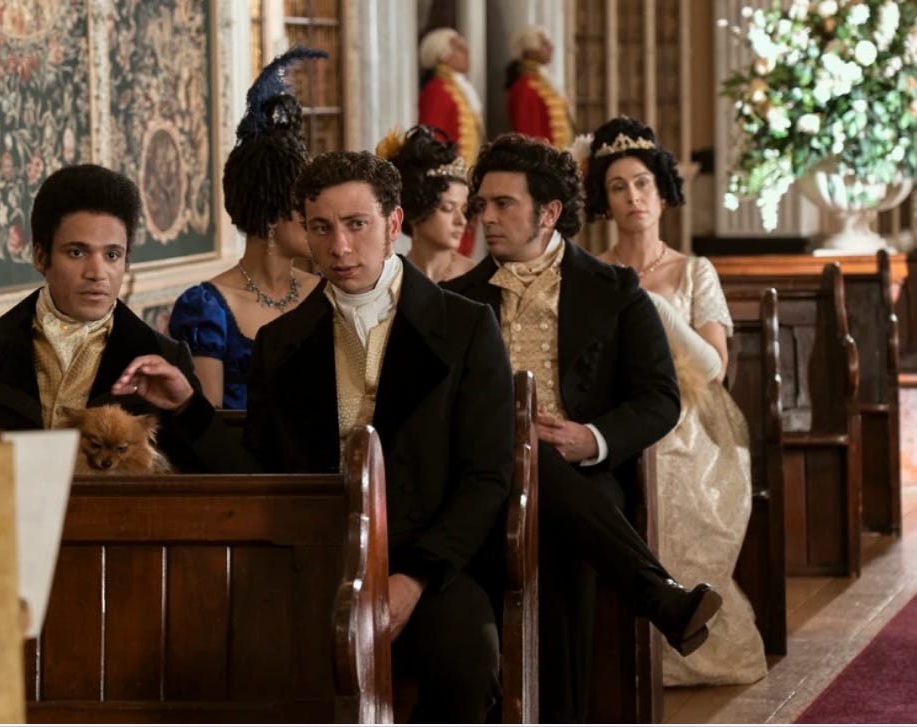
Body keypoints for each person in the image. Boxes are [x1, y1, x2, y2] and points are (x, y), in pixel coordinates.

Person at [443, 132, 722, 723]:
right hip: (478, 481)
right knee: (518, 449)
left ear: (548, 213)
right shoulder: (454, 300)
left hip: (581, 476)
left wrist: (589, 438)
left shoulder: (616, 291)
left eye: (502, 204)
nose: (485, 217)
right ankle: (659, 594)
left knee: (552, 502)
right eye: (481, 204)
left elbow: (658, 400)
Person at [242, 150, 514, 722]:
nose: (339, 247)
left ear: (393, 224)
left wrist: (413, 580)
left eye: (355, 224)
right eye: (321, 227)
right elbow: (258, 468)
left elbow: (487, 477)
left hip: (434, 566)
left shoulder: (466, 327)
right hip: (318, 563)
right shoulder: (278, 343)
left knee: (465, 656)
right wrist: (189, 409)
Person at [585, 115, 768, 686]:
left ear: (662, 191)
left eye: (642, 183)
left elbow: (713, 368)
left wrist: (657, 308)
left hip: (692, 419)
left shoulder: (694, 271)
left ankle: (687, 638)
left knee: (671, 464)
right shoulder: (591, 273)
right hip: (613, 414)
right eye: (618, 187)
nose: (632, 197)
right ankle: (616, 652)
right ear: (604, 201)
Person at [0, 164, 244, 473]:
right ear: (40, 256)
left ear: (126, 262)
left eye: (112, 255)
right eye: (77, 252)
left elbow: (228, 476)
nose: (97, 273)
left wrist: (186, 404)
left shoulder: (164, 357)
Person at [169, 47, 324, 410]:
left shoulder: (328, 295)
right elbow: (208, 430)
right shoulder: (206, 309)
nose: (316, 221)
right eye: (303, 209)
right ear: (271, 212)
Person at [375, 124, 476, 282]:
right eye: (448, 208)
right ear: (417, 208)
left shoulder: (477, 280)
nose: (461, 221)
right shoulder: (388, 280)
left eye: (464, 210)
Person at [417, 27, 483, 258]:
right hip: (448, 184)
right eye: (458, 46)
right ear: (441, 54)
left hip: (464, 180)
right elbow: (433, 140)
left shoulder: (456, 88)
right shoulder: (437, 90)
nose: (466, 52)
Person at [505, 25, 574, 149]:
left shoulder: (545, 82)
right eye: (544, 44)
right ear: (530, 50)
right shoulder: (524, 88)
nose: (551, 47)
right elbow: (527, 136)